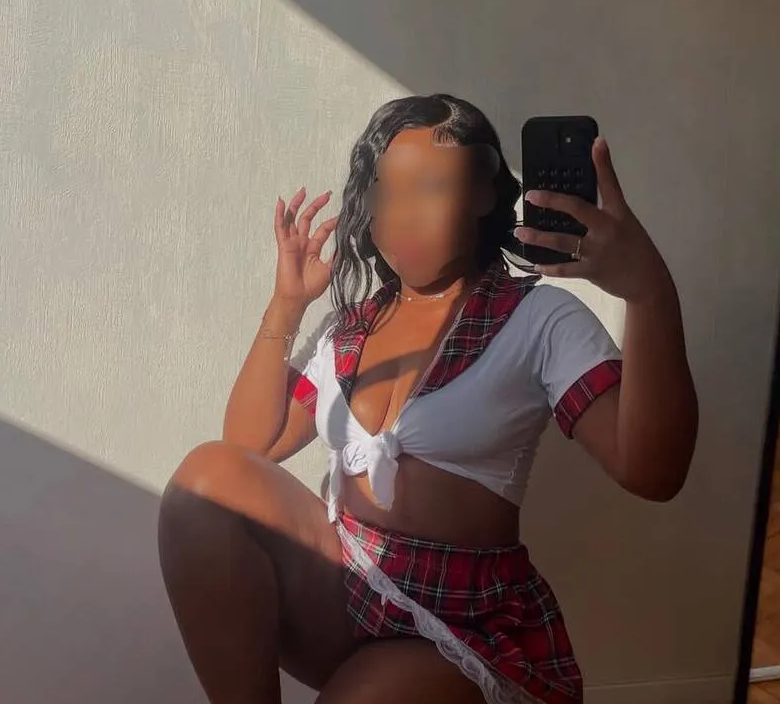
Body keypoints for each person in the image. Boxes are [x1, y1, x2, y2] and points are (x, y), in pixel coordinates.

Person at [158, 94, 698, 704]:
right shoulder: (349, 329)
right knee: (206, 480)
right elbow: (250, 447)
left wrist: (648, 293)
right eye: (387, 193)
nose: (403, 218)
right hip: (346, 587)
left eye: (431, 187)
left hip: (462, 623)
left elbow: (652, 472)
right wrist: (287, 305)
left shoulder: (538, 317)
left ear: (484, 193)